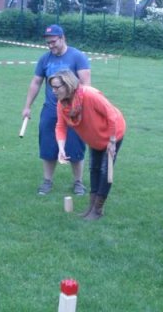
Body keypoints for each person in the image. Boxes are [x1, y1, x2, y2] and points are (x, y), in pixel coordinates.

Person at [22, 25, 91, 196]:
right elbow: (36, 83)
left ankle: (78, 182)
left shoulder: (77, 57)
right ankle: (47, 181)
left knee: (75, 147)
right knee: (48, 147)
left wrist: (78, 108)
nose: (51, 46)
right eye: (48, 43)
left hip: (75, 110)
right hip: (51, 110)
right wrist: (27, 106)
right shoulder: (45, 59)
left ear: (62, 38)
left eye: (53, 42)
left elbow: (86, 85)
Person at [49, 69, 126, 221]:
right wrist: (61, 149)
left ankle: (97, 210)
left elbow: (111, 114)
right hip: (94, 139)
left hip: (112, 134)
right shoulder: (62, 104)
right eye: (52, 87)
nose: (54, 91)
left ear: (68, 85)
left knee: (105, 171)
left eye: (57, 87)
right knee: (94, 169)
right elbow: (60, 126)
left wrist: (111, 141)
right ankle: (91, 206)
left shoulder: (89, 95)